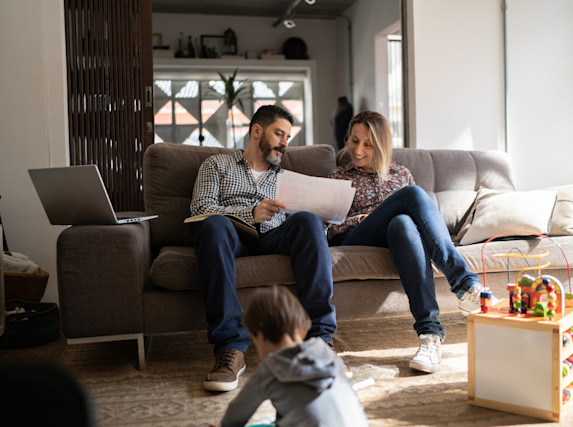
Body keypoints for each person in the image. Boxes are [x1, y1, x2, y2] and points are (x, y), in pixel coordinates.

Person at [327, 111, 489, 374]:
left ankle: (429, 336)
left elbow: (420, 223)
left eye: (367, 144)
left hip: (395, 239)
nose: (357, 150)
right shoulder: (338, 176)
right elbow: (328, 227)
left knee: (402, 222)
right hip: (357, 236)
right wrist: (368, 217)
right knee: (411, 195)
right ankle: (464, 283)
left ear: (381, 146)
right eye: (354, 141)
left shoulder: (400, 173)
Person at [191, 105, 337, 392]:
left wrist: (323, 215)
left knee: (308, 220)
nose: (285, 143)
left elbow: (306, 226)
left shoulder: (287, 178)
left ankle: (320, 339)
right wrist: (250, 213)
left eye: (288, 137)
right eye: (279, 134)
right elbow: (198, 209)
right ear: (256, 130)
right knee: (212, 225)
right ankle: (230, 348)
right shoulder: (217, 164)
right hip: (231, 235)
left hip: (274, 237)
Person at [211, 285, 368, 427]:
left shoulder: (270, 369)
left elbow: (238, 412)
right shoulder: (327, 352)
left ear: (260, 336)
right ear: (301, 326)